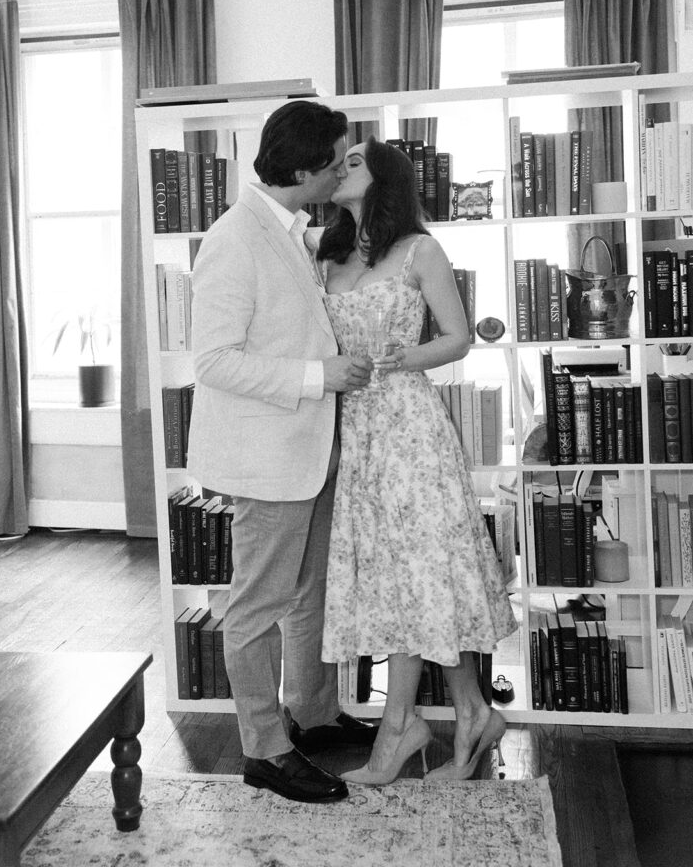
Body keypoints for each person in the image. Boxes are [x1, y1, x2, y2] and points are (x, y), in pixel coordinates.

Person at [186, 101, 376, 804]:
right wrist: (315, 375)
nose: (342, 172)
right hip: (266, 458)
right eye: (335, 163)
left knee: (310, 595)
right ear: (301, 169)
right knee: (257, 607)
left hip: (307, 447)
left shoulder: (292, 230)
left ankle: (315, 716)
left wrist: (324, 362)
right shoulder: (234, 238)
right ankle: (264, 748)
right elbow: (213, 361)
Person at [316, 136, 518, 785]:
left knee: (420, 573)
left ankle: (405, 729)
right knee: (414, 579)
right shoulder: (328, 252)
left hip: (411, 425)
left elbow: (457, 338)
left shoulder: (420, 249)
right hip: (359, 431)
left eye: (351, 160)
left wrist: (408, 358)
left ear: (383, 178)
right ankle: (468, 713)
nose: (339, 166)